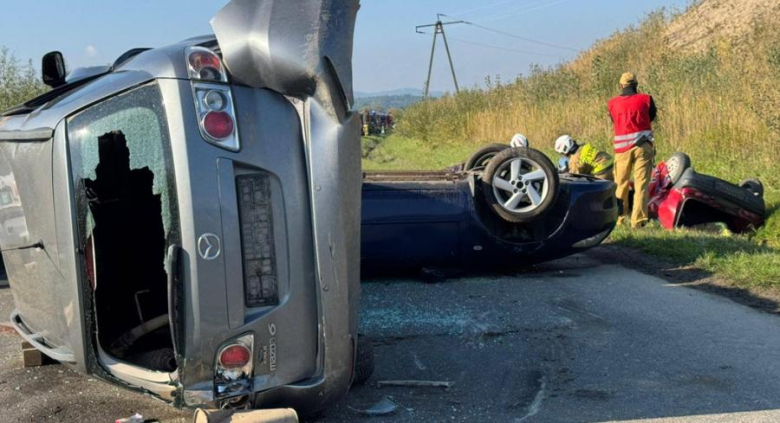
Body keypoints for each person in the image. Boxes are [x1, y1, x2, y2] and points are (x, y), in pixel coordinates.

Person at [608, 72, 657, 228]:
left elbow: (613, 120)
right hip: (643, 146)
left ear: (621, 86)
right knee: (641, 184)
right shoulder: (646, 99)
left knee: (621, 184)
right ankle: (639, 221)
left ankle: (619, 219)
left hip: (622, 150)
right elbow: (651, 116)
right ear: (636, 85)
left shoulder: (612, 103)